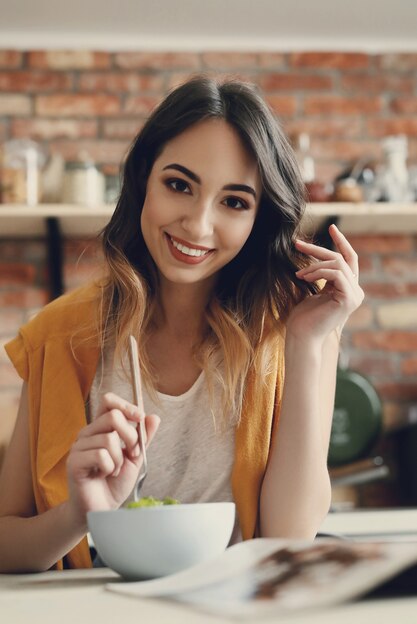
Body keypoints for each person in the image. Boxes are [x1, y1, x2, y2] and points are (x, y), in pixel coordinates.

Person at [0, 76, 364, 573]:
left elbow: (289, 537)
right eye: (179, 185)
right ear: (143, 179)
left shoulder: (296, 328)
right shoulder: (59, 335)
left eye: (234, 201)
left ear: (259, 218)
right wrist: (79, 514)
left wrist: (305, 343)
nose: (197, 225)